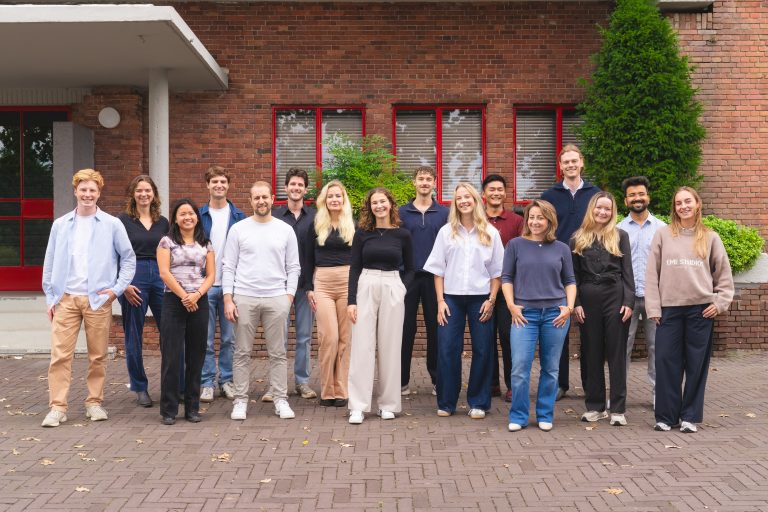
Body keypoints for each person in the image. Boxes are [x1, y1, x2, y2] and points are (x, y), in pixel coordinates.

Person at [41, 169, 136, 427]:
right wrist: (51, 297)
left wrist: (116, 289)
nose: (87, 194)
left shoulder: (112, 224)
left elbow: (128, 258)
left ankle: (94, 402)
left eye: (92, 190)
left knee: (97, 356)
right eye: (83, 189)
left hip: (98, 300)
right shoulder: (61, 225)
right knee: (60, 356)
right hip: (66, 299)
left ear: (99, 193)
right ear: (75, 191)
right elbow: (49, 262)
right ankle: (57, 407)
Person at [646, 187, 734, 434]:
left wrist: (719, 303)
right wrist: (653, 307)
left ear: (697, 204)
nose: (683, 206)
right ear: (674, 208)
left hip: (700, 311)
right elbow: (652, 274)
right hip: (669, 310)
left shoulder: (710, 237)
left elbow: (724, 276)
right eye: (678, 203)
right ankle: (666, 416)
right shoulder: (663, 235)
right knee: (666, 362)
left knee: (696, 365)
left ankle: (690, 417)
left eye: (688, 201)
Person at [424, 182, 504, 419]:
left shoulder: (491, 233)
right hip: (451, 299)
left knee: (483, 349)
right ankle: (447, 402)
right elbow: (438, 270)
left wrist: (491, 300)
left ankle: (478, 402)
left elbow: (498, 272)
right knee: (447, 348)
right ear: (455, 203)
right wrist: (440, 301)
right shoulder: (446, 232)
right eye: (459, 198)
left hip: (481, 299)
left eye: (467, 197)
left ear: (476, 200)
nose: (463, 201)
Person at [223, 181, 301, 421]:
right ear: (250, 201)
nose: (261, 201)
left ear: (272, 199)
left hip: (277, 297)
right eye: (256, 198)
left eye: (265, 197)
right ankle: (240, 400)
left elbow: (293, 266)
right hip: (244, 297)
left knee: (278, 353)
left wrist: (288, 297)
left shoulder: (285, 230)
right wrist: (228, 298)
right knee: (241, 352)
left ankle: (280, 399)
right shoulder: (238, 229)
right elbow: (228, 266)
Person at [502, 199, 576, 432]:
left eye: (540, 218)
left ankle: (545, 414)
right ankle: (519, 415)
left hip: (555, 315)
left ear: (549, 220)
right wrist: (511, 306)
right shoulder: (515, 245)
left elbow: (570, 281)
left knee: (551, 369)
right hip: (524, 315)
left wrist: (569, 307)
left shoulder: (562, 248)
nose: (534, 222)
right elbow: (506, 278)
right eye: (531, 217)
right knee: (519, 368)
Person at [347, 188, 414, 424]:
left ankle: (388, 404)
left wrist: (402, 288)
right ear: (370, 207)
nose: (379, 206)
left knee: (391, 346)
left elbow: (411, 268)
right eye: (374, 203)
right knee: (362, 346)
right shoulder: (362, 233)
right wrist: (351, 300)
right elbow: (354, 268)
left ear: (391, 203)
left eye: (382, 201)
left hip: (393, 285)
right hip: (366, 283)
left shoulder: (403, 235)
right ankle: (358, 406)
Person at [541, 144, 600, 401]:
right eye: (566, 162)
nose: (570, 165)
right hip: (558, 268)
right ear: (560, 166)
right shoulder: (549, 196)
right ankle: (559, 383)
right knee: (558, 327)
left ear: (582, 162)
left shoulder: (596, 194)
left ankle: (590, 384)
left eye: (574, 161)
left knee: (589, 328)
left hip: (589, 268)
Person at [570, 192, 635, 426]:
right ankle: (595, 406)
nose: (603, 212)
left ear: (612, 212)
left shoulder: (620, 236)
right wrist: (576, 303)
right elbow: (573, 276)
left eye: (607, 209)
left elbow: (628, 272)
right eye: (599, 208)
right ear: (592, 209)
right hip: (588, 297)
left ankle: (617, 408)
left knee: (617, 353)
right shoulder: (577, 238)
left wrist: (628, 301)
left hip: (614, 295)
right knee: (592, 352)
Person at [157, 199, 215, 425]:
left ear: (197, 217)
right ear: (175, 218)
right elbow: (164, 272)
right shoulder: (166, 242)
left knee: (196, 356)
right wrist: (184, 296)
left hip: (199, 302)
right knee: (171, 357)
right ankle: (169, 409)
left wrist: (196, 295)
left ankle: (192, 408)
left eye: (191, 213)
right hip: (174, 302)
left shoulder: (206, 243)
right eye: (182, 214)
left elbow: (211, 275)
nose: (187, 217)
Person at [301, 180, 355, 407]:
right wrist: (309, 288)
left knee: (345, 338)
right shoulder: (315, 225)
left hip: (347, 282)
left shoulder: (353, 225)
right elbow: (307, 259)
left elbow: (359, 260)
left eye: (338, 196)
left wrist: (356, 291)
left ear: (343, 200)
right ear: (325, 200)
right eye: (330, 196)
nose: (334, 199)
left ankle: (341, 389)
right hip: (322, 282)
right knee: (329, 337)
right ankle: (327, 390)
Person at [118, 175, 169, 408]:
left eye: (148, 190)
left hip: (160, 276)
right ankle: (140, 387)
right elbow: (112, 254)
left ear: (154, 194)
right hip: (133, 277)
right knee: (134, 335)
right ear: (133, 194)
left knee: (169, 332)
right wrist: (123, 285)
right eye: (139, 190)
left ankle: (173, 384)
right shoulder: (122, 221)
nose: (144, 194)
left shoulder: (163, 223)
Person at [398, 166, 448, 397]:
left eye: (429, 179)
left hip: (435, 278)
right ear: (414, 182)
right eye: (421, 179)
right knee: (405, 328)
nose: (425, 182)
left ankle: (437, 379)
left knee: (436, 328)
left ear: (435, 183)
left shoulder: (444, 213)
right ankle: (401, 381)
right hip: (407, 277)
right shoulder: (402, 212)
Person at [199, 166, 246, 403]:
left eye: (223, 182)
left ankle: (226, 380)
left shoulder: (239, 217)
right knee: (205, 339)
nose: (219, 185)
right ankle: (206, 382)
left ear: (228, 185)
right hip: (205, 285)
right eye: (215, 181)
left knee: (229, 339)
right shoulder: (198, 216)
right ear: (207, 185)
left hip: (231, 288)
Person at [617, 176, 666, 405]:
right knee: (622, 348)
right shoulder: (617, 230)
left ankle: (659, 395)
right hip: (625, 299)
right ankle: (619, 395)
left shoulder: (662, 229)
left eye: (641, 194)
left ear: (648, 197)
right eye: (632, 195)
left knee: (657, 347)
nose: (637, 198)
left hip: (654, 298)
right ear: (625, 200)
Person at [274, 168, 317, 401]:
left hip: (306, 286)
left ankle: (302, 382)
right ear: (285, 188)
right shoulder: (275, 217)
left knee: (304, 337)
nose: (296, 188)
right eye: (292, 184)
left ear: (305, 189)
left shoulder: (315, 217)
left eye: (300, 185)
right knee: (278, 338)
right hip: (279, 286)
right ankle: (277, 384)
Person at [482, 174, 523, 402]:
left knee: (509, 337)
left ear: (505, 193)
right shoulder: (477, 220)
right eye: (491, 189)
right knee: (486, 338)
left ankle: (511, 384)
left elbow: (523, 253)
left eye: (500, 189)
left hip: (510, 289)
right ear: (484, 194)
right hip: (483, 289)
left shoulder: (517, 221)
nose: (496, 193)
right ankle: (491, 384)